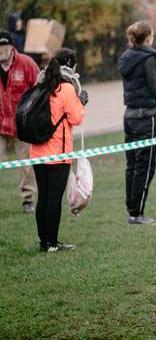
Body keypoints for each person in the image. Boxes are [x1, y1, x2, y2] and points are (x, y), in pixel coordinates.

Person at [118, 21, 156, 226]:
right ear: (149, 37)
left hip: (129, 116)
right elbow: (154, 88)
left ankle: (132, 210)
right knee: (145, 167)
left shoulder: (126, 57)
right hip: (145, 118)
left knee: (132, 165)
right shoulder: (149, 57)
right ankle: (137, 214)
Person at [30, 48, 87, 252]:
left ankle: (44, 241)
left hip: (37, 150)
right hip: (58, 152)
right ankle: (52, 243)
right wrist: (82, 102)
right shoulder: (67, 88)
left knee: (43, 197)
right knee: (54, 199)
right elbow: (76, 118)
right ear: (71, 64)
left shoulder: (41, 83)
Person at [0, 30, 39, 212]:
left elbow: (39, 88)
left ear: (11, 46)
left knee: (25, 163)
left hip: (21, 124)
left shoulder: (26, 63)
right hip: (0, 123)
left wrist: (31, 113)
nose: (1, 50)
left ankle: (28, 199)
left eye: (4, 46)